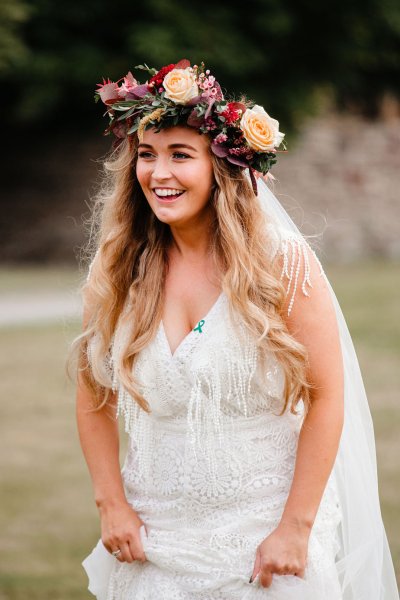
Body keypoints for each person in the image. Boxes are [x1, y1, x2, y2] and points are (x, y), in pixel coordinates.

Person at [73, 59, 399, 599]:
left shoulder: (282, 264)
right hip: (154, 541)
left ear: (221, 167)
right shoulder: (115, 272)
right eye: (147, 155)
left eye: (181, 155)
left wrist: (294, 529)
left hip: (265, 543)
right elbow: (92, 396)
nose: (159, 173)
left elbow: (327, 396)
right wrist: (112, 504)